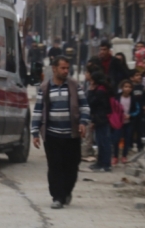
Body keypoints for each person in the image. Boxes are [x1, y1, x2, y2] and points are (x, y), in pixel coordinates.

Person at [32, 56, 90, 209]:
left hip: (71, 135)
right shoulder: (45, 88)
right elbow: (38, 110)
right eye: (63, 68)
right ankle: (57, 197)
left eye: (67, 68)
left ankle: (66, 191)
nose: (66, 71)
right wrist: (35, 133)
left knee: (72, 165)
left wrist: (83, 122)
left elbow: (85, 106)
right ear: (54, 69)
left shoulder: (74, 86)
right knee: (55, 166)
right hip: (52, 135)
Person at [86, 70, 113, 172]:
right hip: (100, 118)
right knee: (100, 141)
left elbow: (91, 103)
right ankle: (100, 162)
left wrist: (91, 91)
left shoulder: (100, 91)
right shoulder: (102, 89)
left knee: (103, 142)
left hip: (102, 118)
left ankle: (105, 164)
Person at [113, 80, 141, 165]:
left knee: (127, 139)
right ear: (122, 88)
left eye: (129, 87)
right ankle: (115, 156)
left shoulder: (133, 98)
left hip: (129, 122)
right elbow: (113, 108)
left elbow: (137, 109)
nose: (127, 89)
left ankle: (124, 156)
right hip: (118, 122)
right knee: (116, 139)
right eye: (125, 87)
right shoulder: (117, 97)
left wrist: (130, 115)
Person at [129, 69, 145, 152]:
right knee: (130, 130)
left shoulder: (142, 88)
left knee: (140, 129)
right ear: (131, 78)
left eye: (140, 75)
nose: (139, 77)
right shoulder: (129, 87)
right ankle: (129, 146)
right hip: (131, 113)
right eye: (136, 75)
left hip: (140, 113)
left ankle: (141, 146)